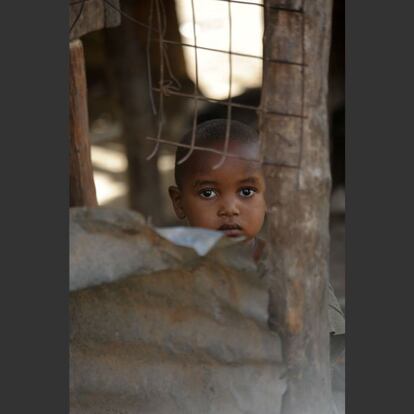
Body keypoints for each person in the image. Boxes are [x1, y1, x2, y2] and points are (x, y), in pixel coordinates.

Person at [168, 119, 345, 390]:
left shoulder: (295, 272)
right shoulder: (165, 275)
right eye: (208, 193)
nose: (230, 208)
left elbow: (332, 359)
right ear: (179, 202)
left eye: (246, 192)